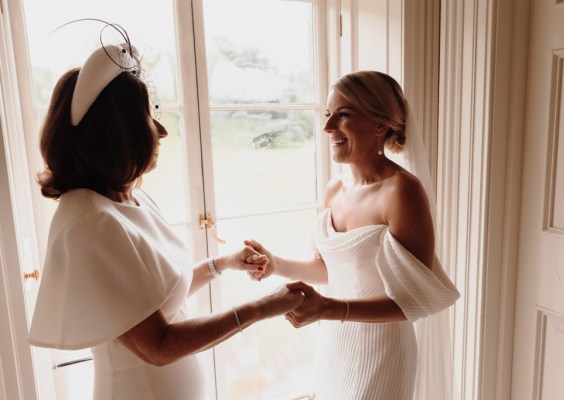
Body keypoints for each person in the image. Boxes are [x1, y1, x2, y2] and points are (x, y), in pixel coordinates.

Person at [27, 39, 305, 400]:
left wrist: (222, 264)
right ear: (118, 132)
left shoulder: (130, 196)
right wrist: (264, 307)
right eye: (148, 117)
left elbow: (149, 299)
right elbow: (157, 346)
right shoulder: (90, 222)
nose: (161, 131)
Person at [245, 70, 461, 400]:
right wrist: (275, 264)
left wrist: (328, 308)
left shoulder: (403, 191)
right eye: (328, 115)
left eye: (343, 115)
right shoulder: (335, 189)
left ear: (380, 124)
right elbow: (329, 269)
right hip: (335, 345)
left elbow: (415, 300)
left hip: (383, 350)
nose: (328, 128)